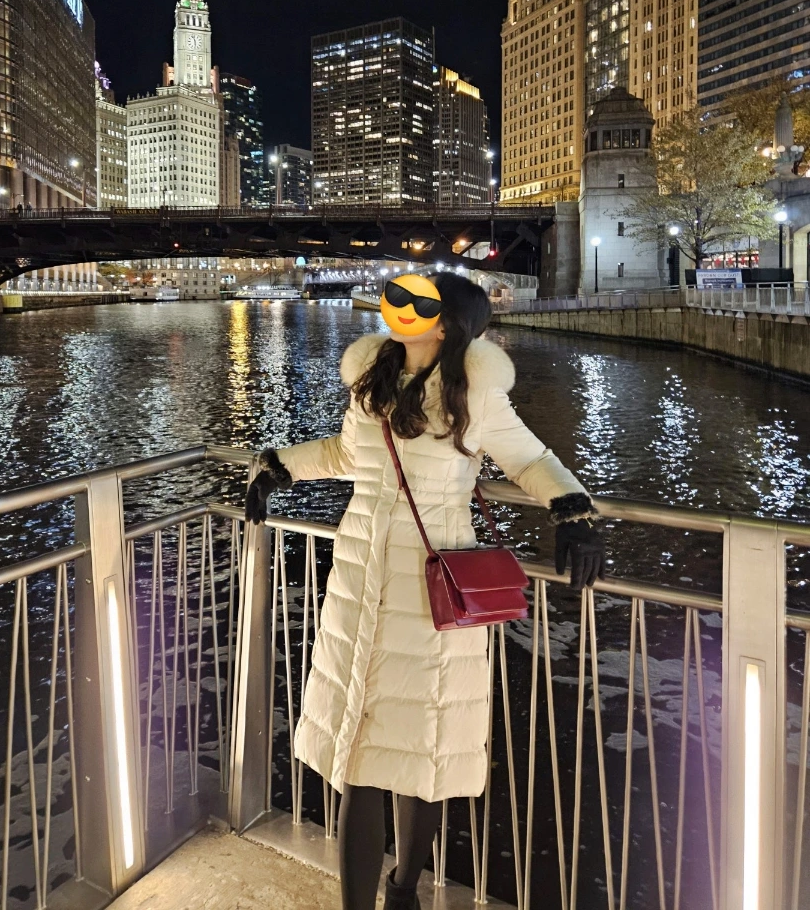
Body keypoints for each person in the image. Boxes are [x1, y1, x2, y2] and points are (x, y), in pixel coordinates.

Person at [245, 272, 606, 910]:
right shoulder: (372, 380)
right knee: (358, 753)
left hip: (431, 584)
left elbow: (528, 459)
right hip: (359, 575)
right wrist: (280, 467)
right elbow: (347, 455)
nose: (400, 307)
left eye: (419, 303)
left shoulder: (475, 394)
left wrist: (571, 511)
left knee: (424, 751)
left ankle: (404, 889)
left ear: (446, 326)